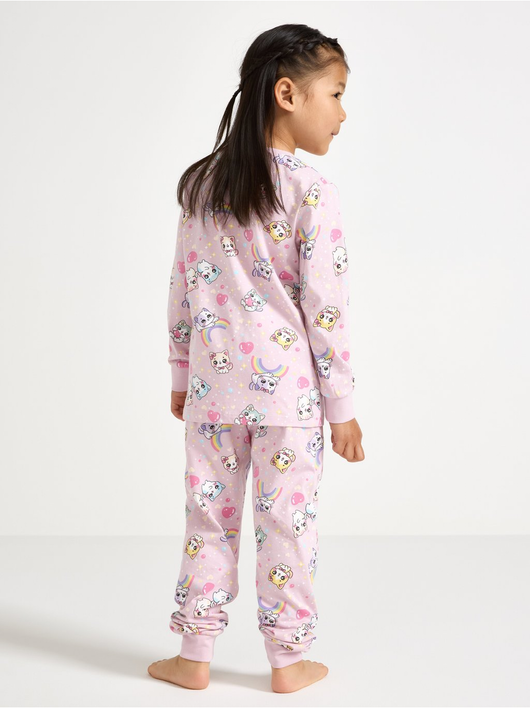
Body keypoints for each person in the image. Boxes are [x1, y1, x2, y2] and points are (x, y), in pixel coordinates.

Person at [148, 23, 365, 694]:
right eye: (336, 93)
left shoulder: (203, 184)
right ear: (287, 94)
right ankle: (288, 662)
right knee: (286, 529)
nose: (344, 112)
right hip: (289, 403)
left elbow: (182, 285)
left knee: (207, 521)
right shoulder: (311, 190)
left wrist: (182, 372)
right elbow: (326, 309)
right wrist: (342, 407)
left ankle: (194, 655)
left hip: (213, 394)